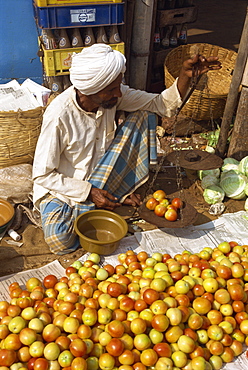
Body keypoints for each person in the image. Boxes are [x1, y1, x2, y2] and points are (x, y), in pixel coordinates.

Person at [32, 43, 221, 255]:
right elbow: (42, 175)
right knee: (60, 241)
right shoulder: (58, 116)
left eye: (119, 87)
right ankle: (105, 198)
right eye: (112, 90)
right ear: (91, 90)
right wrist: (88, 192)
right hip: (66, 187)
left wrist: (185, 76)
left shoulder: (113, 98)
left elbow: (162, 105)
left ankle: (111, 194)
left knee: (145, 115)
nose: (119, 94)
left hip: (104, 172)